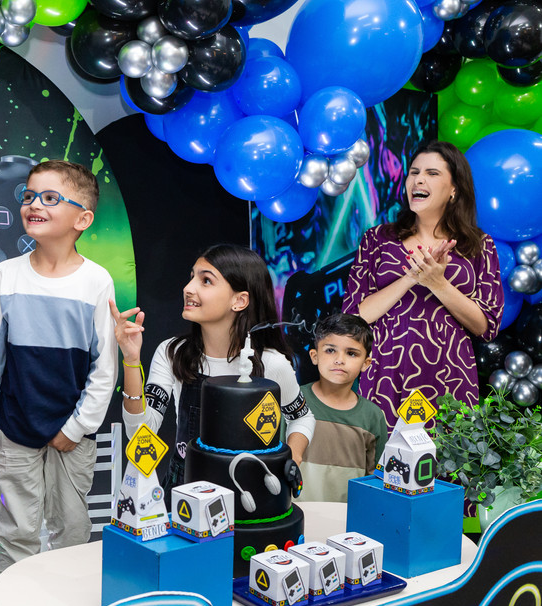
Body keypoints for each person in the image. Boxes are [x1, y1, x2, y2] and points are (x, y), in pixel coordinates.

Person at [0, 160, 117, 573]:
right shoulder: (6, 275)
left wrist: (77, 428)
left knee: (72, 529)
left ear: (82, 219)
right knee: (16, 530)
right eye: (29, 196)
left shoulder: (96, 281)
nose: (34, 204)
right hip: (15, 428)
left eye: (50, 198)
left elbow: (104, 367)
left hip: (73, 434)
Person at [112, 244, 315, 495]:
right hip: (184, 490)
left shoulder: (271, 364)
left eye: (206, 280)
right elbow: (140, 432)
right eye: (191, 277)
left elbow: (302, 417)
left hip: (249, 494)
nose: (188, 288)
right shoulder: (172, 353)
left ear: (239, 301)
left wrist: (291, 459)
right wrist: (131, 359)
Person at [342, 140, 504, 428]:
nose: (418, 179)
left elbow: (485, 327)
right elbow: (355, 317)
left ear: (454, 189)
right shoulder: (377, 239)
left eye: (432, 173)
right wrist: (411, 278)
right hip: (386, 374)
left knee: (449, 454)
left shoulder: (479, 245)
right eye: (414, 172)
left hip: (451, 377)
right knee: (383, 453)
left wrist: (438, 283)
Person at [297, 313, 387, 502]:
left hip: (348, 516)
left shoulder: (372, 416)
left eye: (351, 353)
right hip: (296, 512)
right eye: (330, 350)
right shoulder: (293, 402)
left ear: (366, 363)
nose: (339, 360)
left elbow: (376, 481)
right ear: (314, 356)